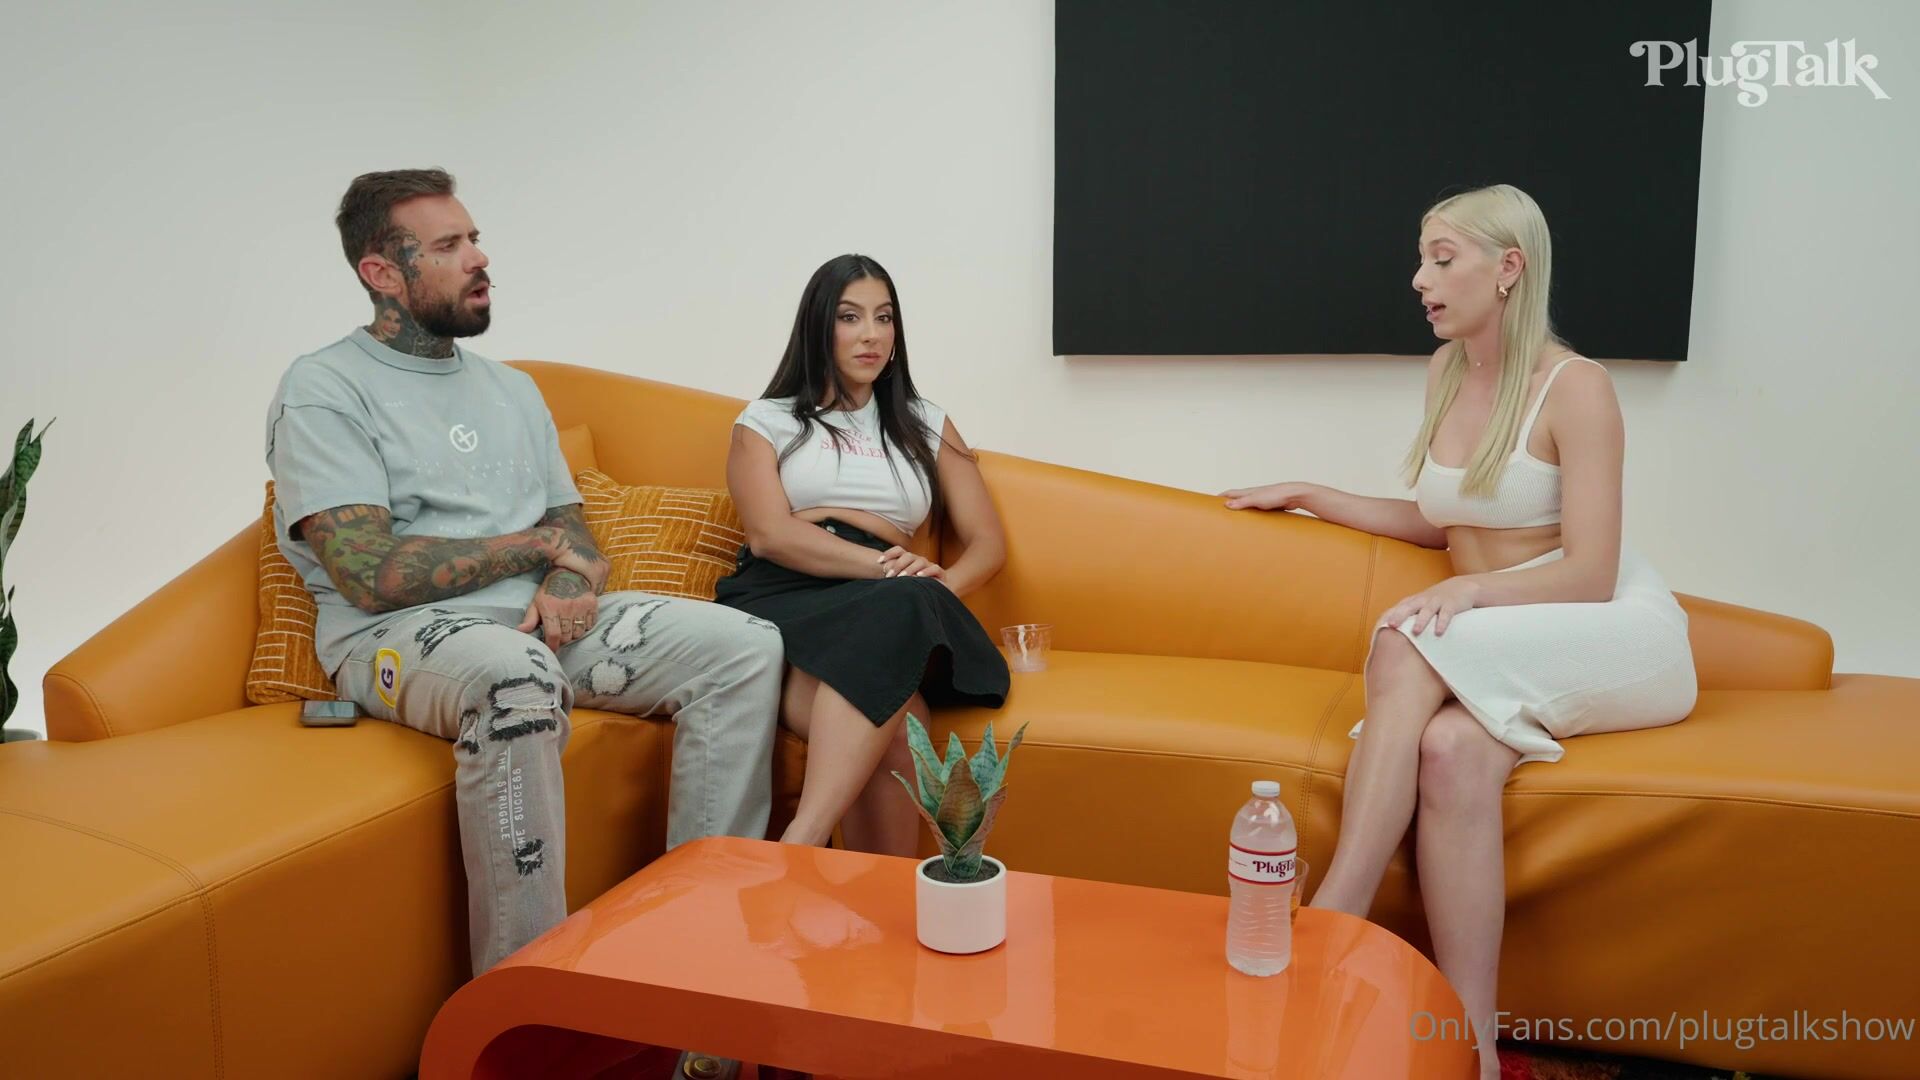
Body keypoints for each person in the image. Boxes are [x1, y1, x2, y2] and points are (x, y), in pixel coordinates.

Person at [1222, 184, 1696, 1079]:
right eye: (1421, 259)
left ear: (1509, 268)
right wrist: (1314, 494)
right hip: (1515, 625)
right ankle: (1470, 1045)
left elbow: (1591, 570)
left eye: (1443, 259)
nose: (1420, 279)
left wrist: (1471, 592)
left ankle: (1336, 913)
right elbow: (1448, 522)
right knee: (1449, 752)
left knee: (1403, 638)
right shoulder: (1447, 371)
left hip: (1613, 629)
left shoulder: (1578, 387)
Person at [265, 168, 782, 977]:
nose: (479, 258)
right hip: (398, 638)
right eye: (449, 246)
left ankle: (698, 951)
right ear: (382, 272)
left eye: (474, 238)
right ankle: (527, 999)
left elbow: (572, 529)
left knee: (745, 647)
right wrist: (541, 551)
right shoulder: (324, 387)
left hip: (534, 628)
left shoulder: (511, 388)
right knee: (515, 677)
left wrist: (570, 583)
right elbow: (371, 574)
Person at [718, 254, 1011, 855]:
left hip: (893, 600)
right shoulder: (766, 420)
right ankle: (852, 882)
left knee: (895, 624)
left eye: (884, 317)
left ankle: (798, 845)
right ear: (818, 326)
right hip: (789, 591)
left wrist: (934, 591)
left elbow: (988, 543)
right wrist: (888, 573)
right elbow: (770, 535)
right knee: (901, 728)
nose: (871, 334)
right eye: (850, 317)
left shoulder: (926, 422)